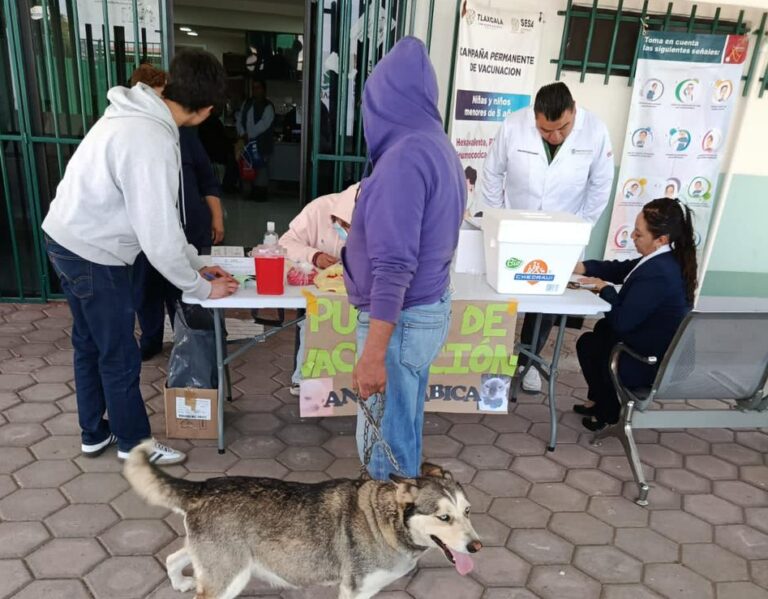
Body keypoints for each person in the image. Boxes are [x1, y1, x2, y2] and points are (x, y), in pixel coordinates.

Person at [41, 49, 239, 466]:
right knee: (118, 352)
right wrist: (202, 287)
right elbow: (158, 235)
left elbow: (161, 222)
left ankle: (94, 433)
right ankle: (134, 444)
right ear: (206, 110)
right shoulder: (149, 138)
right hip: (93, 252)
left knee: (89, 343)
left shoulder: (136, 114)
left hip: (66, 237)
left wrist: (197, 263)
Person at [343, 37, 465, 480]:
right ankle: (408, 507)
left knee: (384, 446)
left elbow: (395, 265)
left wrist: (373, 354)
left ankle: (388, 522)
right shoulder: (438, 147)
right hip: (422, 310)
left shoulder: (404, 158)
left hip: (400, 319)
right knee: (402, 425)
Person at [481, 81, 614, 392]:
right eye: (545, 130)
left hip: (563, 233)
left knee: (547, 300)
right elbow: (492, 172)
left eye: (562, 128)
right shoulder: (513, 125)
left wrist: (579, 228)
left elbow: (601, 184)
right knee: (501, 291)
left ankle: (529, 361)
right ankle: (491, 360)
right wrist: (497, 219)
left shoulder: (595, 131)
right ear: (534, 117)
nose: (555, 136)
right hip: (514, 226)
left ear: (574, 111)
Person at [573, 198, 697, 430]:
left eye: (639, 234)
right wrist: (582, 267)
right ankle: (601, 402)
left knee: (590, 344)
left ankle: (608, 412)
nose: (632, 237)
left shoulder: (659, 272)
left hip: (648, 363)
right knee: (600, 331)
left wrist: (605, 289)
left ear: (661, 239)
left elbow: (622, 322)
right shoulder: (663, 259)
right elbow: (622, 269)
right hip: (653, 347)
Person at [129, 64, 226, 361]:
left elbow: (207, 178)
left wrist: (216, 217)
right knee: (146, 290)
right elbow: (156, 223)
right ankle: (151, 340)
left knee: (182, 293)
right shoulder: (145, 135)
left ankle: (189, 344)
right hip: (144, 236)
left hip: (186, 229)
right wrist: (204, 287)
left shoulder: (183, 135)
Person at [279, 183, 358, 395]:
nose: (349, 232)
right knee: (313, 324)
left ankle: (348, 380)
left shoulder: (380, 218)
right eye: (345, 225)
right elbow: (285, 242)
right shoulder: (319, 209)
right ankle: (305, 380)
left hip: (357, 290)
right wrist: (314, 256)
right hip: (318, 290)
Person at [237, 78, 274, 201]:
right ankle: (248, 193)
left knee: (261, 170)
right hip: (247, 145)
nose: (255, 90)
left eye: (258, 88)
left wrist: (250, 135)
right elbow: (240, 119)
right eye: (253, 88)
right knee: (247, 169)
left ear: (264, 90)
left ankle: (260, 194)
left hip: (261, 145)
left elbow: (264, 124)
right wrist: (243, 133)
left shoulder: (268, 106)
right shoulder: (247, 104)